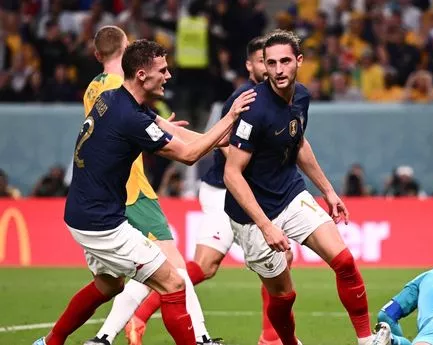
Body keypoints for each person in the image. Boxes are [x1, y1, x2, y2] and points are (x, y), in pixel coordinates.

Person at [32, 39, 255, 345]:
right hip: (102, 223)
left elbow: (176, 135)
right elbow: (188, 155)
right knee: (173, 283)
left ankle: (51, 342)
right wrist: (229, 120)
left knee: (108, 284)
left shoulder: (113, 99)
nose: (168, 76)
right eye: (162, 70)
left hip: (81, 211)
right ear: (141, 74)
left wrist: (219, 140)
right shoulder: (130, 118)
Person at [125, 35, 291, 345]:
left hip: (243, 193)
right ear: (250, 65)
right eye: (261, 62)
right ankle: (140, 313)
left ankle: (270, 338)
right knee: (218, 264)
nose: (268, 69)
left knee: (229, 264)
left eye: (272, 62)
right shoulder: (245, 98)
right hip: (225, 193)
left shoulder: (275, 99)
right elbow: (231, 152)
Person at [223, 29, 373, 345]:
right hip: (253, 216)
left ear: (298, 61)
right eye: (271, 62)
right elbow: (232, 174)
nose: (278, 70)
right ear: (263, 64)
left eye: (285, 61)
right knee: (283, 297)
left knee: (344, 262)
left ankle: (366, 340)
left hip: (290, 193)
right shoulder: (254, 108)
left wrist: (329, 191)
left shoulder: (301, 96)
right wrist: (265, 226)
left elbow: (299, 142)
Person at [79, 26, 221, 345]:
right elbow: (179, 149)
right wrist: (218, 135)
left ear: (97, 54)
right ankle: (196, 336)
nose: (166, 76)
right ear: (130, 52)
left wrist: (160, 124)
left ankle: (104, 335)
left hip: (106, 190)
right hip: (133, 188)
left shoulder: (96, 88)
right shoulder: (124, 87)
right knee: (171, 267)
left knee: (140, 273)